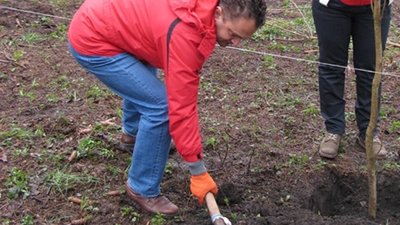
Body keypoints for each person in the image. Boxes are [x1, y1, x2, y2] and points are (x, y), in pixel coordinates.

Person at [68, 0, 267, 216]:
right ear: (218, 13)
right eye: (233, 34)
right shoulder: (185, 32)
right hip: (94, 37)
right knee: (160, 107)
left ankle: (133, 136)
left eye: (242, 39)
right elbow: (181, 107)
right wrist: (197, 171)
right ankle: (141, 187)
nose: (235, 42)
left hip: (119, 24)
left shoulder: (199, 12)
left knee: (146, 83)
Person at [312, 0, 392, 159]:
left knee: (370, 71)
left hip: (375, 7)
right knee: (331, 67)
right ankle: (333, 130)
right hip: (332, 6)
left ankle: (368, 134)